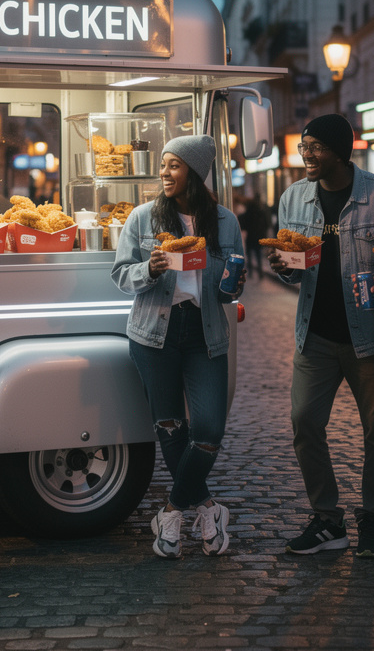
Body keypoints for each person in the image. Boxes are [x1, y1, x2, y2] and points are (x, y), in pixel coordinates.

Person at [112, 135, 246, 559]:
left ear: (194, 171)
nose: (164, 173)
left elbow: (231, 288)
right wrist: (147, 270)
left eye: (173, 165)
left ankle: (171, 509)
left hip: (205, 330)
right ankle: (207, 510)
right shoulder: (143, 217)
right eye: (164, 165)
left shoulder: (224, 222)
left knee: (207, 431)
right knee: (169, 425)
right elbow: (119, 274)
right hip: (154, 333)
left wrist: (229, 277)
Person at [269, 113, 374, 559]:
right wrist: (284, 269)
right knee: (305, 422)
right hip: (315, 336)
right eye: (304, 147)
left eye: (317, 148)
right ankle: (327, 518)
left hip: (370, 338)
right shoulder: (293, 198)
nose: (307, 155)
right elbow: (292, 268)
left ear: (341, 151)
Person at [239, 194, 271, 277]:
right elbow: (267, 224)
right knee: (258, 255)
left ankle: (250, 273)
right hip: (259, 237)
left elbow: (243, 224)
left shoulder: (248, 213)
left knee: (249, 255)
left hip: (250, 237)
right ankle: (260, 273)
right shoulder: (261, 212)